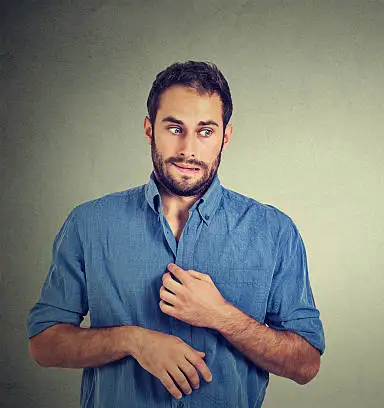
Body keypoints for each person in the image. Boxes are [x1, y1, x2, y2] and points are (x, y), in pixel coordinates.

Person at [27, 61, 325, 408]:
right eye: (174, 128)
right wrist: (133, 341)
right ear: (149, 128)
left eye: (205, 131)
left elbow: (305, 364)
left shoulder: (274, 232)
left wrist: (222, 316)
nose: (188, 149)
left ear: (225, 137)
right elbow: (44, 344)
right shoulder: (89, 223)